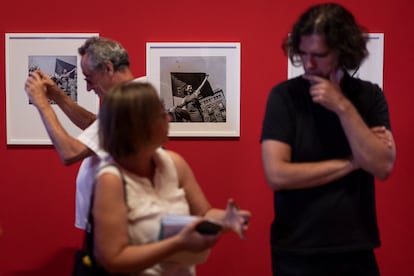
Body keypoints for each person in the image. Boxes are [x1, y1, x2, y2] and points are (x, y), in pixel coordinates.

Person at [260, 3, 396, 276]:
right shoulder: (284, 97)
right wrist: (353, 162)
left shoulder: (369, 97)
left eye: (319, 55)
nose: (309, 63)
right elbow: (277, 174)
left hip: (356, 249)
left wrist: (342, 107)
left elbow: (382, 166)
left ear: (343, 52)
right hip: (295, 250)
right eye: (304, 53)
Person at [94, 81, 250, 275]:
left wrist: (226, 220)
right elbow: (113, 259)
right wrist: (177, 244)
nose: (168, 117)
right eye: (161, 115)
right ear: (138, 126)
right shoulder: (111, 180)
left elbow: (204, 213)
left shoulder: (173, 163)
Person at [24, 36, 145, 230]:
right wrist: (57, 95)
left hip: (115, 226)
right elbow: (94, 124)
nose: (88, 88)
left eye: (89, 79)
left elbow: (70, 152)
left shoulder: (128, 105)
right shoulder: (133, 97)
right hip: (112, 221)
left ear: (108, 68)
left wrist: (42, 103)